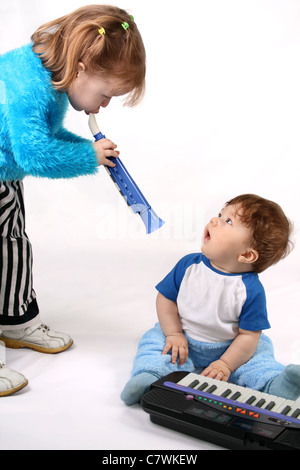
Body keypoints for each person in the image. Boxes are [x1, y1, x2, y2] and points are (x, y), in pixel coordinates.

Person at [0, 5, 146, 396]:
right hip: (7, 168)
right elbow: (33, 153)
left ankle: (16, 321)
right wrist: (87, 156)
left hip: (4, 176)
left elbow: (44, 138)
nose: (104, 105)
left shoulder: (53, 80)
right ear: (82, 68)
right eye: (106, 94)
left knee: (13, 247)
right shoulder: (27, 83)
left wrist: (89, 149)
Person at [121, 194, 300, 405]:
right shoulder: (188, 266)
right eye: (220, 215)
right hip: (183, 338)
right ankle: (148, 375)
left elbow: (249, 335)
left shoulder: (250, 290)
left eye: (228, 221)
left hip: (231, 347)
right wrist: (174, 333)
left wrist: (225, 364)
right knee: (154, 341)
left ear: (247, 256)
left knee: (259, 354)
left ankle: (277, 385)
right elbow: (166, 299)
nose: (214, 221)